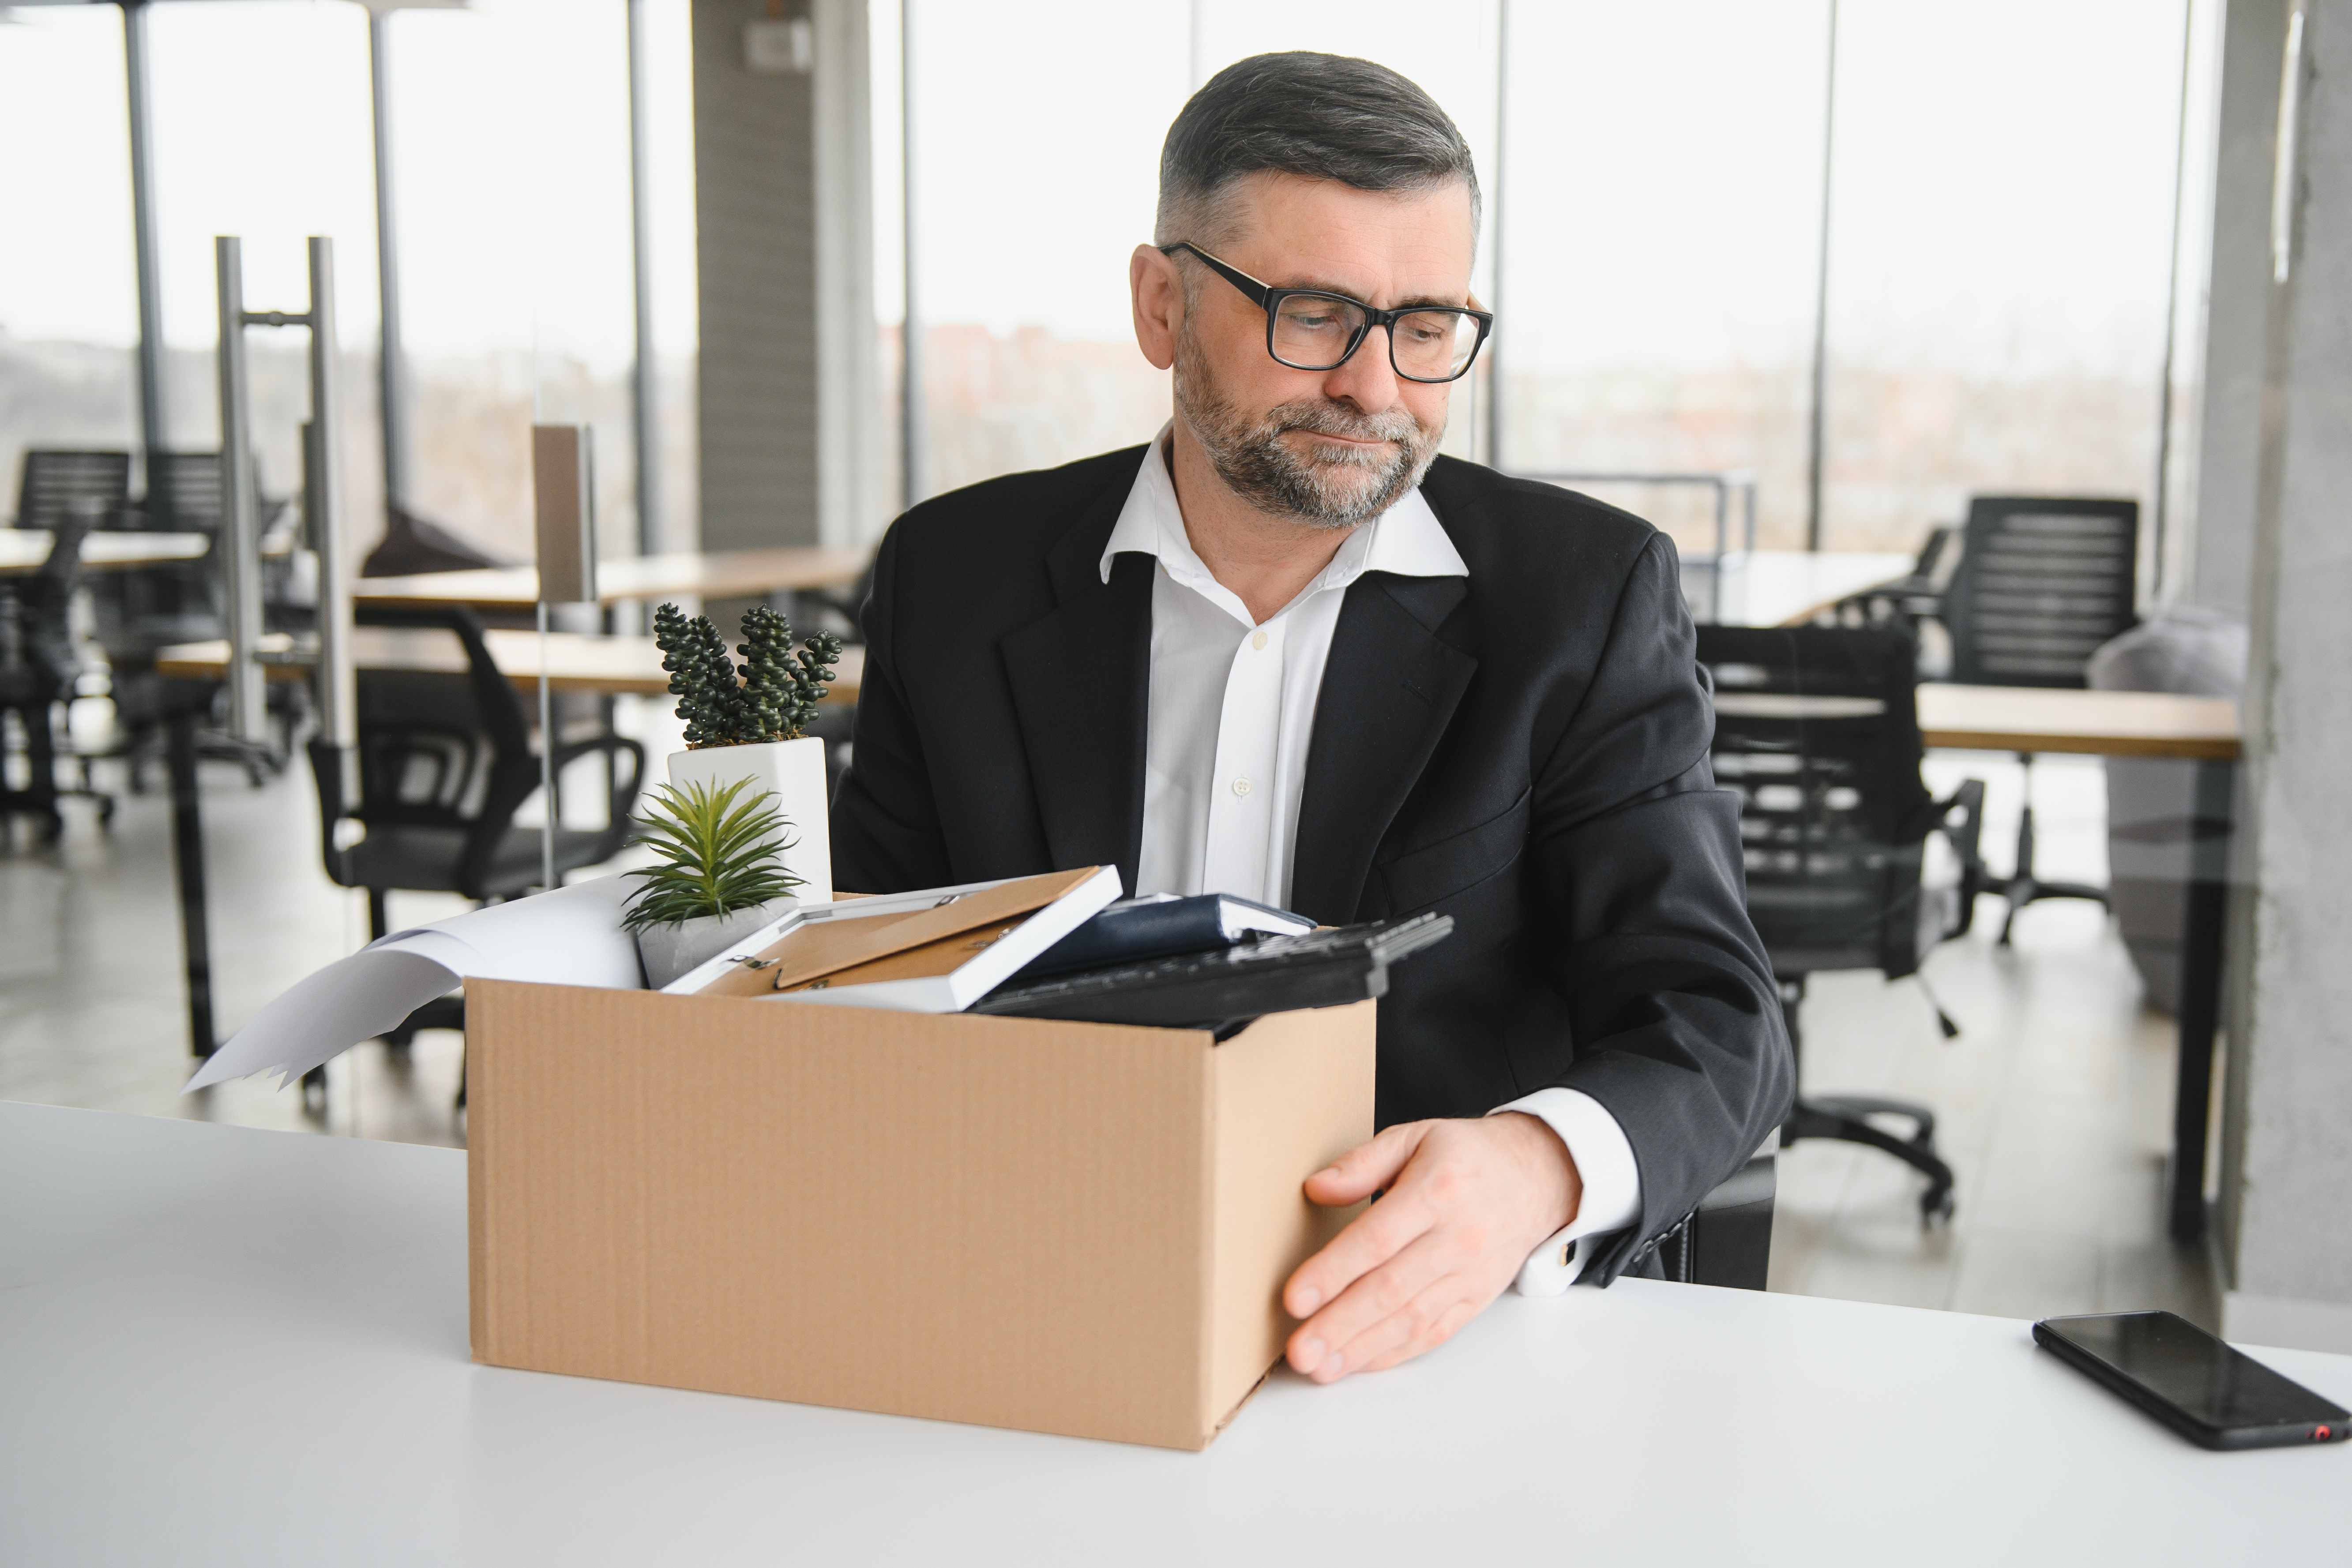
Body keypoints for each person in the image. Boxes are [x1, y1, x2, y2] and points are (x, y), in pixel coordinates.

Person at [831, 51, 1791, 1385]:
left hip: (1420, 1335)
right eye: (1318, 314)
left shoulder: (1583, 598)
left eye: (1426, 324)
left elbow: (1718, 1022)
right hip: (1018, 1286)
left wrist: (1533, 1167)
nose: (1378, 389)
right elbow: (864, 970)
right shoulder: (957, 573)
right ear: (1162, 303)